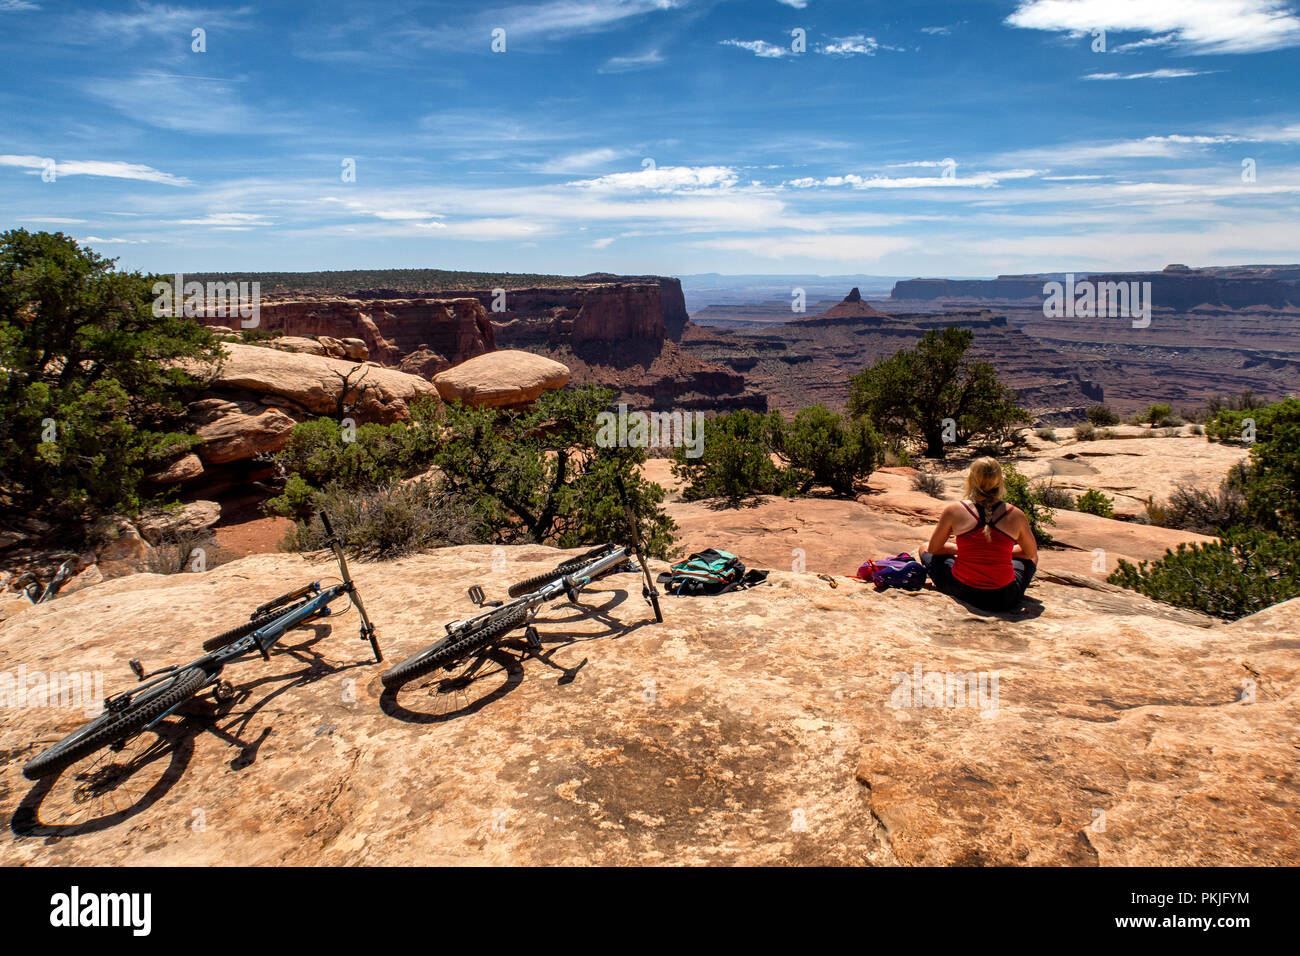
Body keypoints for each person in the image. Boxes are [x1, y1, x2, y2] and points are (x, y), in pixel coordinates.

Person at [920, 457, 1037, 612]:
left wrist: (957, 550)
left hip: (963, 589)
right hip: (1003, 597)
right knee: (1033, 557)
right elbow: (1030, 553)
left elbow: (934, 548)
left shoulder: (954, 510)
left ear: (971, 479)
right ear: (999, 481)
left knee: (924, 547)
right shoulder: (1016, 515)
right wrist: (1000, 553)